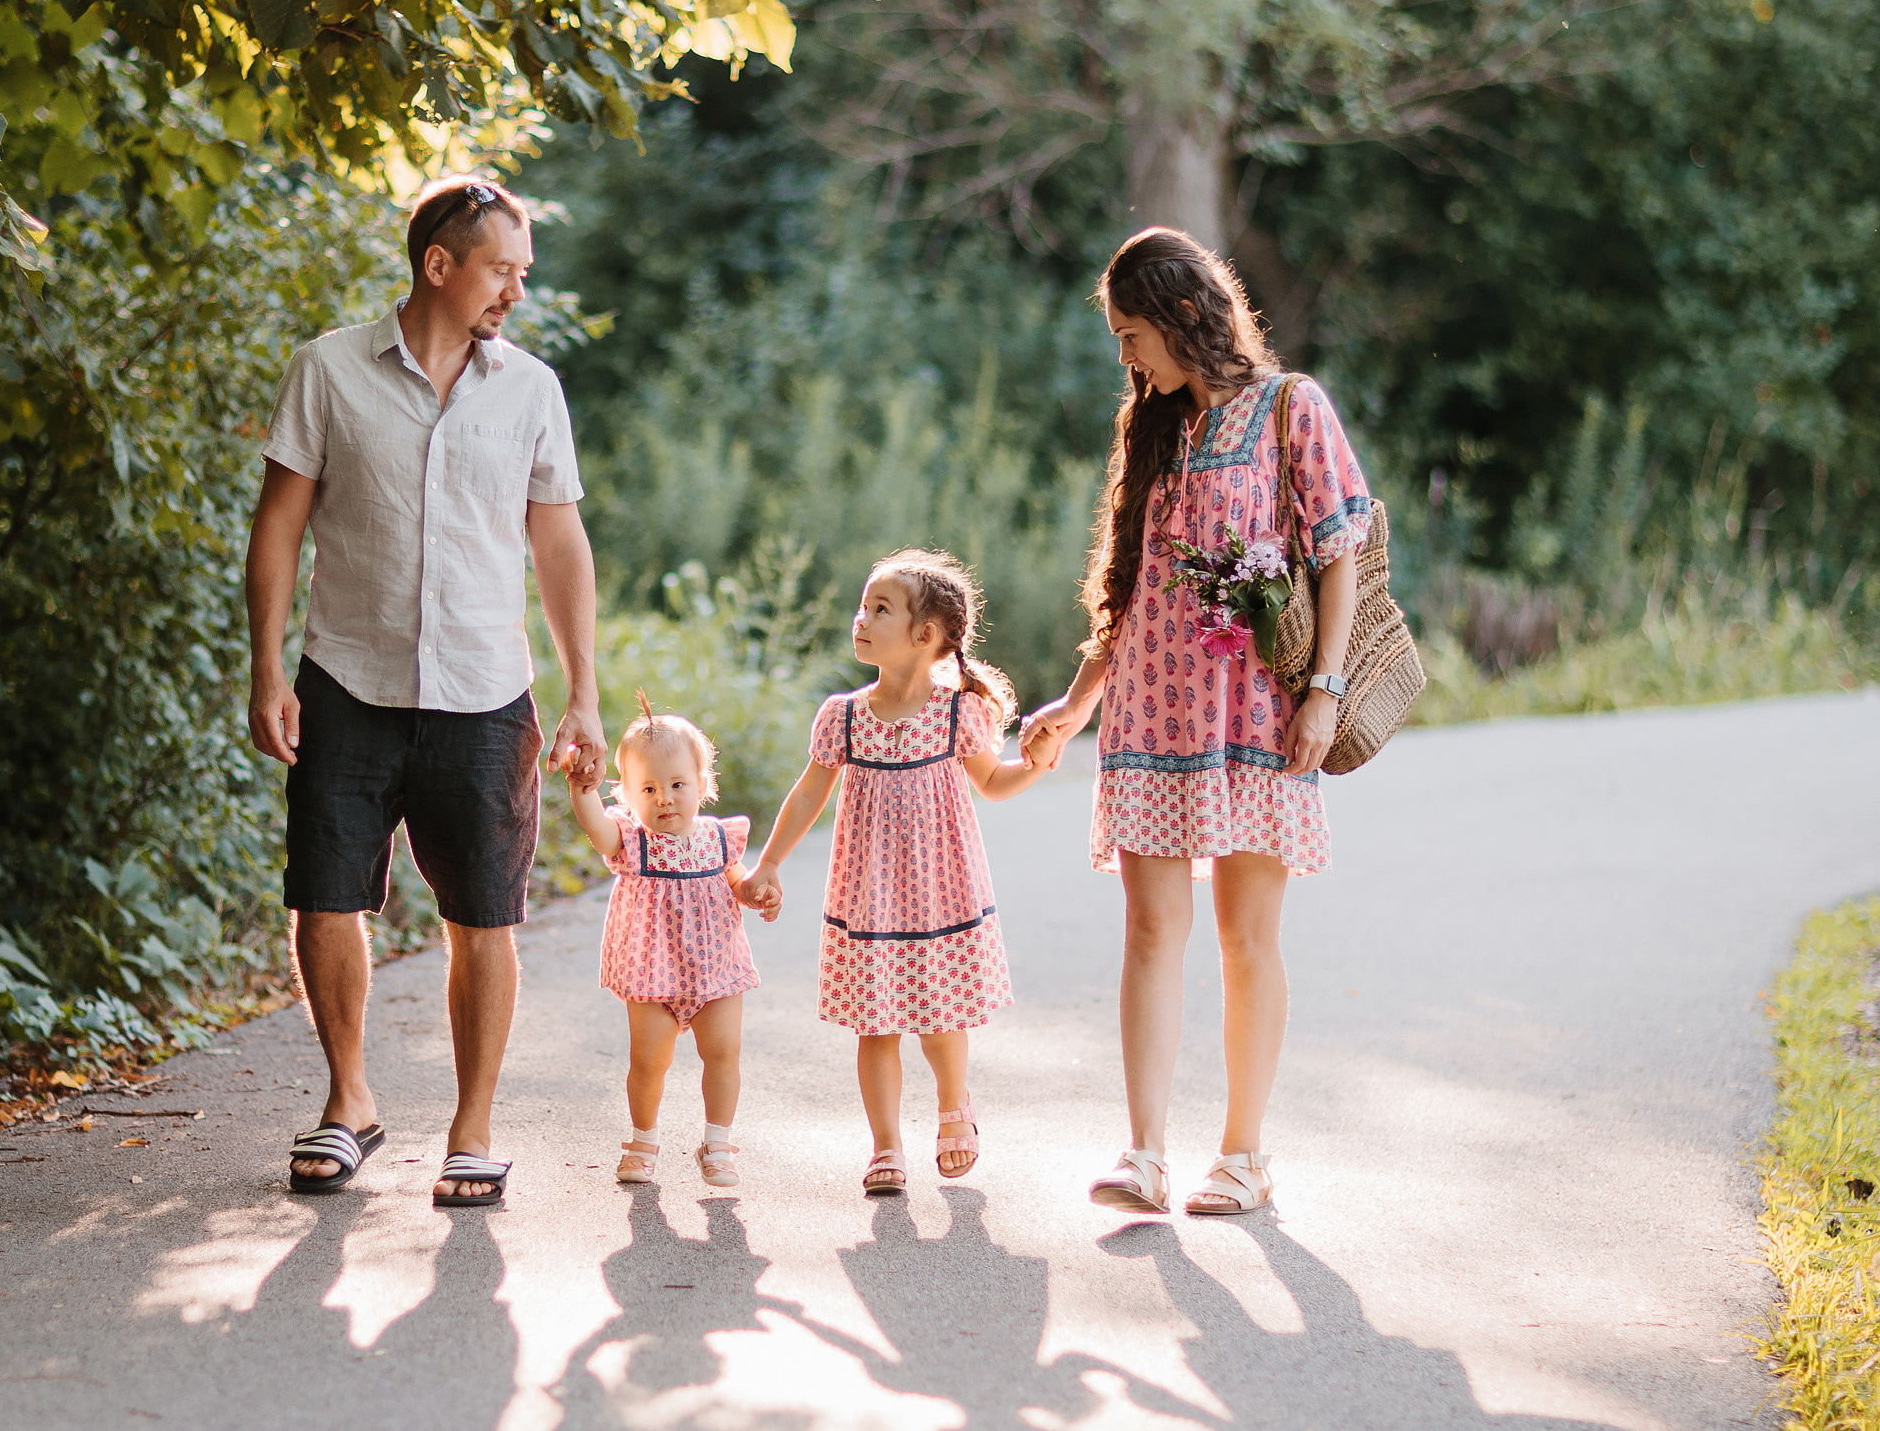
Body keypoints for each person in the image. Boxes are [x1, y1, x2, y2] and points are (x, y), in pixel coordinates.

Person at [244, 177, 604, 1208]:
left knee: (483, 915)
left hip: (487, 690)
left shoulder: (531, 389)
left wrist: (583, 692)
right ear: (439, 266)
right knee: (325, 895)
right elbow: (278, 527)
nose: (516, 292)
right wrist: (266, 666)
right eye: (502, 270)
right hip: (347, 679)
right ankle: (348, 1099)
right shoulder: (328, 370)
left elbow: (560, 542)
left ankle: (472, 1127)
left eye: (524, 273)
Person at [1017, 226, 1371, 1218]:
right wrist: (1072, 704)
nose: (1124, 357)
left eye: (1131, 335)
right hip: (1149, 715)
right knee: (1147, 930)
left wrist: (1326, 689)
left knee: (1245, 937)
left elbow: (1337, 551)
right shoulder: (1153, 428)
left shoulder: (1290, 408)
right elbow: (1127, 592)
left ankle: (1243, 1155)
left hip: (1257, 715)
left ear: (1181, 317)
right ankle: (1143, 1153)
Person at [738, 549, 1056, 1196]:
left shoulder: (957, 714)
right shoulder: (844, 715)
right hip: (869, 897)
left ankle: (953, 1105)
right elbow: (807, 794)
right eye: (863, 604)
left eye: (880, 608)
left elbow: (994, 782)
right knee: (875, 1023)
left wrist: (1041, 763)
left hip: (942, 892)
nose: (861, 617)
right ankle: (886, 1145)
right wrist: (768, 863)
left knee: (942, 1018)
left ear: (926, 635)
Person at [568, 696, 769, 1192]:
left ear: (702, 785)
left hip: (716, 969)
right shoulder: (630, 841)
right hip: (651, 971)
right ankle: (643, 1140)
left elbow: (739, 884)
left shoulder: (720, 839)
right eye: (649, 788)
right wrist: (581, 789)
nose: (665, 798)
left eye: (678, 785)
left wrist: (758, 892)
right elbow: (595, 826)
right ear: (630, 796)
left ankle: (717, 1143)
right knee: (649, 1061)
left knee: (724, 1052)